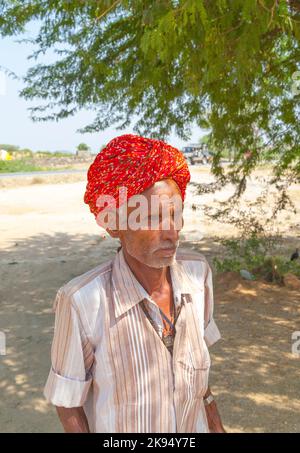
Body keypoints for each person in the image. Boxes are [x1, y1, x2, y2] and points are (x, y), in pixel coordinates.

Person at [44, 134, 225, 433]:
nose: (172, 232)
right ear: (115, 225)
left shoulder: (197, 276)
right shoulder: (82, 301)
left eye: (175, 214)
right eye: (152, 218)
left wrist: (217, 427)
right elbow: (68, 402)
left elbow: (198, 380)